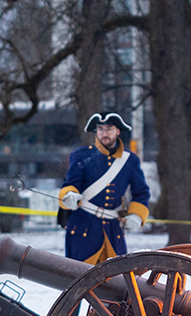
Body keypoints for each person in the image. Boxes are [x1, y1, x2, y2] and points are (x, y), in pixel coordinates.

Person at [59, 112, 151, 264]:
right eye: (100, 129)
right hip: (83, 229)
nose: (104, 133)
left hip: (113, 231)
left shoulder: (130, 160)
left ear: (118, 131)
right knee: (79, 280)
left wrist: (137, 215)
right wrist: (69, 196)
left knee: (116, 281)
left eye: (109, 129)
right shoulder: (81, 156)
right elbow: (70, 184)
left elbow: (141, 192)